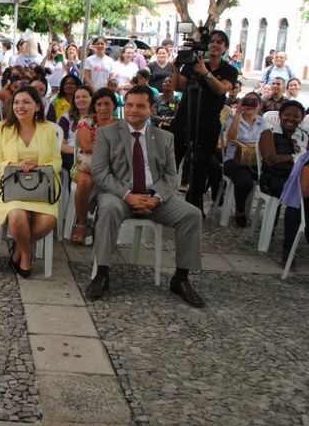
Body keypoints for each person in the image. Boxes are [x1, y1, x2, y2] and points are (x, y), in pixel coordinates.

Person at [87, 85, 205, 308]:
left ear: (151, 109)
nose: (133, 110)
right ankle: (102, 273)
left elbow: (171, 175)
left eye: (140, 106)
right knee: (109, 209)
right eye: (129, 105)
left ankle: (181, 278)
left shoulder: (164, 137)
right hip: (119, 194)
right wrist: (128, 195)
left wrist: (157, 197)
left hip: (155, 197)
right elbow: (100, 173)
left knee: (192, 215)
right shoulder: (107, 133)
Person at [0, 86, 60, 277]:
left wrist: (38, 166)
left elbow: (56, 162)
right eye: (17, 102)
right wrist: (16, 165)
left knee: (48, 221)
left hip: (41, 186)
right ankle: (26, 254)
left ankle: (18, 249)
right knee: (16, 214)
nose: (20, 106)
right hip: (9, 185)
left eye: (26, 102)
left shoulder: (49, 129)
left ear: (37, 106)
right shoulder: (3, 128)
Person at [170, 30, 237, 212]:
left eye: (220, 42)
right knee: (172, 160)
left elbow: (222, 89)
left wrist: (206, 74)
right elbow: (178, 86)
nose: (215, 44)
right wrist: (176, 70)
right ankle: (165, 200)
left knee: (200, 167)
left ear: (225, 48)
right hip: (185, 119)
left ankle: (194, 205)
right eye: (212, 41)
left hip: (207, 124)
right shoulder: (193, 63)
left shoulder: (230, 70)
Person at [70, 88, 118, 244]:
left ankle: (100, 224)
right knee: (85, 182)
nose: (103, 108)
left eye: (107, 104)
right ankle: (82, 224)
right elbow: (86, 146)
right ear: (94, 106)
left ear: (114, 106)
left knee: (112, 186)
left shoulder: (120, 124)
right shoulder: (86, 120)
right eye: (99, 104)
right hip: (85, 166)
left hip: (110, 170)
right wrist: (110, 147)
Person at [222, 92, 266, 227]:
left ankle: (271, 221)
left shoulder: (261, 121)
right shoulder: (233, 118)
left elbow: (264, 142)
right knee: (245, 181)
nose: (250, 105)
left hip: (254, 161)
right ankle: (240, 209)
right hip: (233, 160)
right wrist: (237, 114)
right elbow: (231, 138)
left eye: (254, 102)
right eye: (247, 101)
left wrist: (248, 145)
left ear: (260, 106)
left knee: (268, 179)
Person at [258, 100, 308, 200]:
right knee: (301, 192)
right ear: (280, 116)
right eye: (287, 114)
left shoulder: (305, 136)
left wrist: (288, 157)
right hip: (274, 178)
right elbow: (272, 162)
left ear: (301, 119)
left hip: (298, 178)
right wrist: (300, 159)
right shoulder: (269, 133)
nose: (291, 119)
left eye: (296, 116)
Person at [58, 85, 93, 175]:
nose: (80, 99)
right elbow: (62, 146)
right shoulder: (66, 118)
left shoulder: (97, 118)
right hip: (72, 154)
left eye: (84, 96)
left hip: (94, 153)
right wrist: (79, 152)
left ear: (92, 98)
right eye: (77, 97)